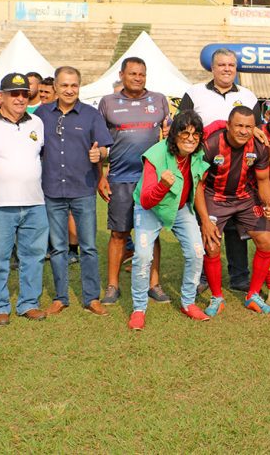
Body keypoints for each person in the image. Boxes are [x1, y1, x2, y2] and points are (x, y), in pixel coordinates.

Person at [34, 66, 113, 316]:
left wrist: (98, 153)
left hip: (83, 189)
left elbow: (105, 149)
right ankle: (60, 297)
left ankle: (91, 298)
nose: (69, 90)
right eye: (65, 85)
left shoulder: (91, 114)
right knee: (58, 247)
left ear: (79, 86)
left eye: (74, 85)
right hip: (52, 190)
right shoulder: (41, 114)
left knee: (88, 246)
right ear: (55, 87)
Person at [179, 48, 259, 292]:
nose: (227, 69)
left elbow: (256, 132)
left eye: (231, 65)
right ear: (212, 68)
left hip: (239, 171)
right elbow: (182, 128)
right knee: (204, 222)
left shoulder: (248, 96)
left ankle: (239, 277)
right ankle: (203, 276)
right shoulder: (194, 93)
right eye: (222, 65)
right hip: (203, 169)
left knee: (236, 226)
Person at [97, 57, 172, 306]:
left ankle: (154, 284)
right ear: (122, 75)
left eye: (142, 74)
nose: (138, 78)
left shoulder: (159, 100)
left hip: (151, 180)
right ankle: (112, 286)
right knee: (119, 233)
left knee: (153, 234)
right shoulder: (108, 102)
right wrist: (101, 175)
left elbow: (169, 135)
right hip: (120, 177)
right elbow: (99, 144)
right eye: (133, 74)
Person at [128, 111, 211, 329]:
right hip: (151, 209)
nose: (191, 139)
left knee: (196, 252)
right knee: (143, 256)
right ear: (174, 135)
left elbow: (199, 185)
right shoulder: (156, 154)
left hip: (180, 208)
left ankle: (188, 302)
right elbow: (145, 201)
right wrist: (162, 186)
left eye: (196, 134)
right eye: (185, 133)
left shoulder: (198, 153)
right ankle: (138, 308)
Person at [197, 106, 270, 315]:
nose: (243, 131)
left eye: (248, 127)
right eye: (239, 126)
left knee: (267, 240)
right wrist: (205, 220)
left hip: (244, 198)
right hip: (215, 197)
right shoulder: (211, 145)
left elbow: (263, 180)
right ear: (228, 126)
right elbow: (199, 185)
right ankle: (217, 297)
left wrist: (269, 203)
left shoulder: (259, 146)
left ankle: (253, 295)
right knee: (212, 245)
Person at [0, 73, 48, 325]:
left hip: (35, 201)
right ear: (1, 96)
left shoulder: (37, 123)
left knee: (34, 256)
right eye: (14, 94)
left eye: (24, 94)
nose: (20, 98)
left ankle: (29, 303)